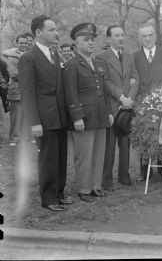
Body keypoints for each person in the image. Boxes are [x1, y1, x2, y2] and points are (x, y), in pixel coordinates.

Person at [18, 15, 71, 211]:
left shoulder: (55, 54)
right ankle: (48, 198)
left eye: (56, 29)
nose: (56, 33)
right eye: (51, 30)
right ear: (38, 33)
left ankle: (59, 193)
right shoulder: (28, 58)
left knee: (60, 157)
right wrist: (35, 122)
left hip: (59, 115)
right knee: (48, 159)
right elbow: (27, 93)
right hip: (44, 118)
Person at [63, 23, 114, 202]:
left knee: (99, 153)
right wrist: (77, 117)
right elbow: (70, 93)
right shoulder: (71, 64)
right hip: (83, 118)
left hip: (100, 116)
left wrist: (108, 112)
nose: (91, 43)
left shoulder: (98, 63)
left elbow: (104, 90)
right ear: (76, 44)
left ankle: (96, 186)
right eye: (86, 40)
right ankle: (84, 189)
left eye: (92, 40)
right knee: (84, 155)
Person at [94, 25, 139, 191]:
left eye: (122, 35)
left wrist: (130, 99)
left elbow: (136, 79)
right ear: (108, 39)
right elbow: (105, 82)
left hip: (127, 107)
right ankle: (106, 181)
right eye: (117, 35)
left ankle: (124, 176)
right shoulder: (100, 58)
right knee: (109, 146)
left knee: (125, 143)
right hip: (112, 107)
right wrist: (121, 97)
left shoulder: (129, 56)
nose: (121, 38)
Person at [133, 23, 162, 183]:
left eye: (150, 35)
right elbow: (133, 80)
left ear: (155, 36)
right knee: (144, 136)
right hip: (143, 104)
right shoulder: (135, 57)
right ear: (140, 38)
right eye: (144, 36)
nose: (147, 38)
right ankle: (145, 172)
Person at [3, 34, 29, 146]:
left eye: (25, 43)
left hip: (29, 90)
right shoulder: (11, 56)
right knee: (16, 116)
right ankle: (14, 138)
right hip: (16, 90)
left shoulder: (31, 54)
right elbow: (13, 74)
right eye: (21, 43)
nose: (23, 45)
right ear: (17, 43)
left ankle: (25, 138)